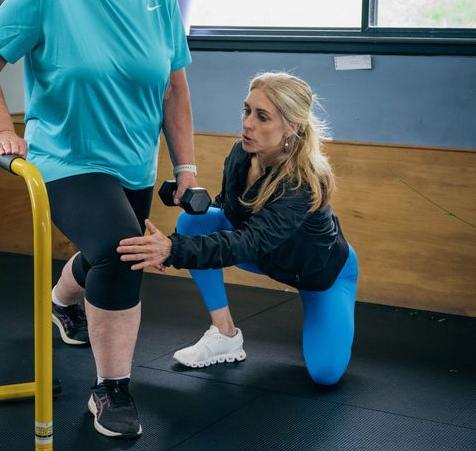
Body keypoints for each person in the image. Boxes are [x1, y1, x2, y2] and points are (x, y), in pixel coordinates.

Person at [0, 0, 196, 438]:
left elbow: (174, 86)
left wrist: (186, 164)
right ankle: (111, 390)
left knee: (102, 255)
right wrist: (0, 132)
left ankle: (62, 303)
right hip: (64, 157)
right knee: (123, 252)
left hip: (134, 163)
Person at [118, 72, 359, 387]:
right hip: (266, 254)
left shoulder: (301, 184)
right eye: (247, 111)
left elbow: (249, 242)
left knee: (325, 374)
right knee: (193, 222)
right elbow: (231, 210)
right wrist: (189, 213)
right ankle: (225, 334)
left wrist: (173, 250)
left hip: (319, 274)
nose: (247, 123)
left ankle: (330, 315)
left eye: (262, 117)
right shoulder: (241, 154)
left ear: (292, 126)